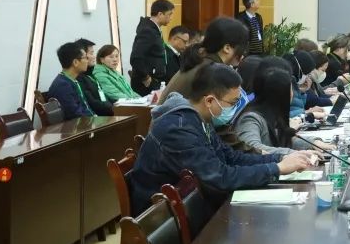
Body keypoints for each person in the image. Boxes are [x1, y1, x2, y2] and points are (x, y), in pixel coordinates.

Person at [128, 63, 314, 215]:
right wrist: (277, 169)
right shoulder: (179, 128)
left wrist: (279, 159)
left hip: (189, 204)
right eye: (233, 103)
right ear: (209, 101)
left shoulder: (199, 118)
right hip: (165, 216)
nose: (235, 108)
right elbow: (219, 177)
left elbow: (231, 157)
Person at [234, 68, 334, 157]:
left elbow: (282, 139)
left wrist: (313, 143)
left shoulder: (272, 114)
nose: (292, 95)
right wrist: (293, 154)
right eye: (290, 91)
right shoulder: (250, 118)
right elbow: (253, 149)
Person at [158, 17, 249, 104]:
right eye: (242, 48)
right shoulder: (211, 71)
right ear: (227, 48)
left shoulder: (201, 61)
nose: (243, 53)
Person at [129, 0, 173, 95]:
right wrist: (146, 77)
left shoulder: (154, 30)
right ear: (160, 14)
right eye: (169, 14)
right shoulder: (148, 31)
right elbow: (136, 58)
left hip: (155, 81)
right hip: (146, 84)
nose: (171, 18)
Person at [47, 42, 93, 120]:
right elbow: (76, 115)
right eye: (85, 58)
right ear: (75, 62)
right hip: (81, 125)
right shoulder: (63, 86)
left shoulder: (70, 80)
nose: (87, 61)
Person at [73, 38, 114, 116]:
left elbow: (104, 96)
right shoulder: (78, 78)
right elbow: (92, 103)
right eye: (91, 53)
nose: (94, 57)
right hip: (101, 117)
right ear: (82, 55)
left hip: (108, 112)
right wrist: (113, 108)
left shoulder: (91, 74)